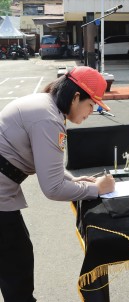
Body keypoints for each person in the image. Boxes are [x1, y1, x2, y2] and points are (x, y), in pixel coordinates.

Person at [0, 66, 115, 302]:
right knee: (17, 267)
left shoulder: (44, 104)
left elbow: (48, 165)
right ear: (75, 97)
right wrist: (97, 188)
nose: (91, 112)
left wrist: (73, 180)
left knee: (14, 260)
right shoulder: (49, 119)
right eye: (91, 105)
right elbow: (52, 189)